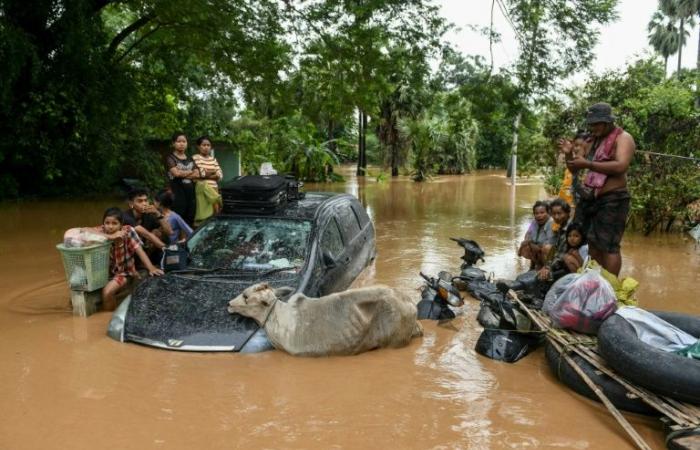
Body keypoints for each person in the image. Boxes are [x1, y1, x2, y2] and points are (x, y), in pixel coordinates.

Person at [560, 102, 635, 276]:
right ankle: (596, 281)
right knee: (593, 242)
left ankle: (611, 286)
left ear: (608, 122)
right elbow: (574, 168)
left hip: (614, 199)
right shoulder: (591, 141)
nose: (592, 128)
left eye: (596, 124)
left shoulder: (623, 138)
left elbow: (621, 166)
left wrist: (588, 164)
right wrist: (568, 153)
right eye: (591, 124)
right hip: (592, 199)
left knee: (609, 246)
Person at [97, 208, 163, 310]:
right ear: (103, 224)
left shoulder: (128, 232)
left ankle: (110, 321)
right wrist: (109, 237)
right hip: (106, 273)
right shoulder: (101, 231)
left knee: (107, 292)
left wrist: (151, 268)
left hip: (124, 273)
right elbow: (76, 232)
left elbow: (139, 250)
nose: (110, 226)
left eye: (114, 223)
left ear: (121, 225)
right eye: (107, 223)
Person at [123, 188, 172, 262]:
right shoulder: (126, 216)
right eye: (140, 201)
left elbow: (169, 232)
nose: (144, 203)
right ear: (131, 204)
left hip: (146, 249)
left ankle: (149, 260)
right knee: (151, 234)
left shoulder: (149, 215)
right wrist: (167, 248)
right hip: (130, 252)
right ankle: (143, 263)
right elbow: (146, 234)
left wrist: (157, 214)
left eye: (146, 200)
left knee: (157, 232)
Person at [166, 132, 203, 227]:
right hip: (177, 193)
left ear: (187, 143)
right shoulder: (170, 158)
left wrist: (183, 174)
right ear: (173, 143)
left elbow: (198, 174)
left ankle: (187, 240)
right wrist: (190, 172)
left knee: (190, 217)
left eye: (184, 141)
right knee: (178, 217)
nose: (181, 144)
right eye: (179, 141)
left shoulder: (190, 158)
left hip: (190, 194)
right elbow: (176, 173)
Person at [537, 199, 573, 281]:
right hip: (562, 259)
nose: (556, 217)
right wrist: (546, 266)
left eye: (559, 213)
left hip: (571, 262)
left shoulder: (570, 229)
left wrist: (548, 268)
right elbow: (556, 249)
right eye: (554, 214)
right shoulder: (561, 226)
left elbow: (561, 255)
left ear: (567, 213)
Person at [518, 200, 555, 269]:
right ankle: (533, 266)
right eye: (536, 213)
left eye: (542, 212)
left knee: (546, 248)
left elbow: (550, 242)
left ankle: (546, 268)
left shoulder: (551, 223)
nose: (539, 215)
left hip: (547, 250)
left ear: (548, 213)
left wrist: (538, 247)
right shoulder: (534, 222)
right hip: (536, 245)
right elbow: (528, 233)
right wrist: (526, 241)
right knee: (526, 246)